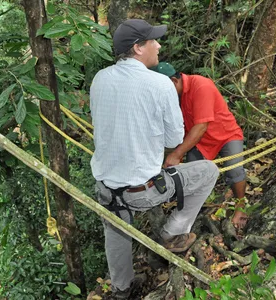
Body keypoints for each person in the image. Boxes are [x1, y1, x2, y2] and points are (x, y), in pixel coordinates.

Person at [90, 19, 219, 299]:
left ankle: (122, 288)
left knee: (116, 229)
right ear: (138, 48)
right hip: (143, 192)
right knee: (208, 171)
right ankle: (172, 233)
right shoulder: (160, 84)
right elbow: (174, 140)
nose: (158, 45)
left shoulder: (100, 78)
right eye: (153, 41)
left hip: (105, 188)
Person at [151, 62, 248, 230]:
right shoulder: (174, 96)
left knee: (234, 170)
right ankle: (191, 213)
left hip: (225, 135)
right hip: (199, 141)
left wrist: (177, 154)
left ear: (174, 81)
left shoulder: (201, 86)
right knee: (192, 176)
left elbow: (201, 126)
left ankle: (240, 206)